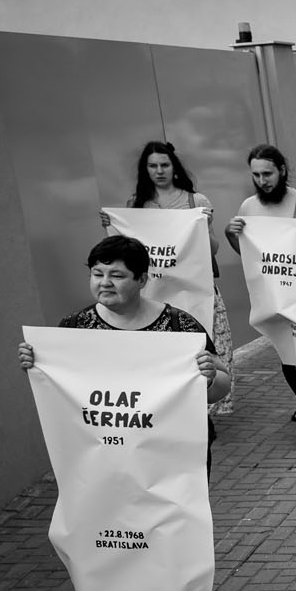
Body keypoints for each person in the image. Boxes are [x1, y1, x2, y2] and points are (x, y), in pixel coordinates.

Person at [17, 234, 232, 591]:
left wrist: (210, 374)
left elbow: (220, 388)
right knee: (135, 539)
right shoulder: (74, 329)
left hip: (173, 460)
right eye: (97, 273)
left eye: (116, 274)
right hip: (107, 462)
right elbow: (60, 388)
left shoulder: (178, 327)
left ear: (142, 278)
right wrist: (36, 364)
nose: (104, 283)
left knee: (174, 540)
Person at [99, 141, 235, 423]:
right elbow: (126, 251)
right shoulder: (136, 205)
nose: (159, 171)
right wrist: (111, 225)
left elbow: (212, 249)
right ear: (145, 170)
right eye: (153, 166)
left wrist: (204, 226)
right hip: (155, 294)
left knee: (205, 350)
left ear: (174, 168)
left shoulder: (196, 202)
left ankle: (205, 410)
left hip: (195, 290)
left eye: (164, 165)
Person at [224, 144, 296, 440]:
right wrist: (231, 235)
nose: (262, 181)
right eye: (256, 175)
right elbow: (249, 255)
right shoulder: (248, 208)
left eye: (267, 174)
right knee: (289, 356)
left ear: (282, 171)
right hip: (274, 296)